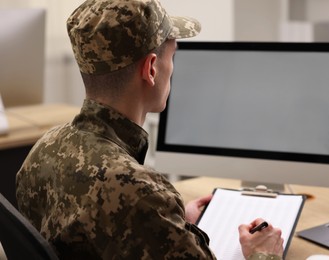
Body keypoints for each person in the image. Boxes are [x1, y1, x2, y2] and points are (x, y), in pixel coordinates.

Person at [16, 0, 284, 259]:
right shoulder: (139, 193)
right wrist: (263, 253)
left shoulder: (44, 150)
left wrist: (172, 224)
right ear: (152, 69)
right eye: (173, 56)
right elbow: (130, 204)